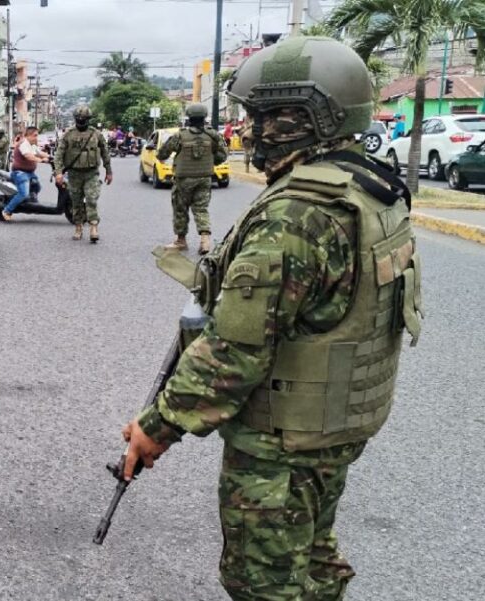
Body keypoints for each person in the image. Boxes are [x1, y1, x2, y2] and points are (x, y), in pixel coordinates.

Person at [122, 36, 421, 600]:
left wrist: (156, 428)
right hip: (333, 423)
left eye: (263, 118)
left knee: (262, 581)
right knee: (311, 555)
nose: (251, 133)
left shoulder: (299, 214)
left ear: (305, 117)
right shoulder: (367, 184)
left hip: (286, 439)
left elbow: (234, 348)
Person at [157, 102, 227, 254]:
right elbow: (222, 156)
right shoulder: (212, 135)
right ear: (205, 118)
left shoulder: (180, 135)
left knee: (180, 209)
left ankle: (181, 240)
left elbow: (162, 153)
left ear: (189, 118)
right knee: (201, 209)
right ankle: (205, 241)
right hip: (205, 178)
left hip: (184, 179)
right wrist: (211, 160)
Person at [54, 106, 112, 242]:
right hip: (74, 174)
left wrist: (108, 171)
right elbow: (59, 155)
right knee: (76, 201)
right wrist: (58, 173)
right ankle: (78, 227)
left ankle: (93, 227)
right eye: (79, 119)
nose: (81, 121)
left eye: (84, 119)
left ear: (88, 119)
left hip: (91, 173)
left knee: (91, 199)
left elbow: (105, 153)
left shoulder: (96, 134)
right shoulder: (68, 134)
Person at [2, 126, 50, 220]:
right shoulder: (23, 143)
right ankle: (7, 211)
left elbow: (39, 152)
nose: (36, 138)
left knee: (37, 187)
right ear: (28, 135)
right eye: (35, 135)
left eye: (37, 135)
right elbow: (28, 156)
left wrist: (51, 157)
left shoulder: (32, 144)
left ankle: (30, 202)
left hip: (29, 173)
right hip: (20, 173)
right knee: (23, 193)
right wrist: (41, 160)